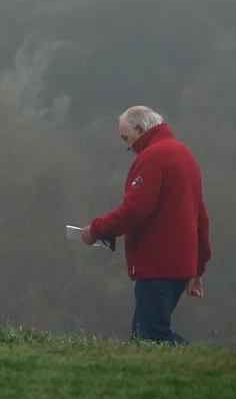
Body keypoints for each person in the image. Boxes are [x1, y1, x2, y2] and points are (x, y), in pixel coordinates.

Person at [81, 105, 211, 343]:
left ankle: (205, 364)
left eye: (126, 138)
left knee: (152, 338)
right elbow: (200, 218)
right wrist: (198, 267)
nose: (127, 147)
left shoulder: (153, 157)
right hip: (180, 266)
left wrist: (97, 229)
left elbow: (135, 209)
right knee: (141, 339)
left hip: (158, 264)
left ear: (140, 130)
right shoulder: (184, 156)